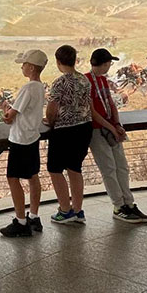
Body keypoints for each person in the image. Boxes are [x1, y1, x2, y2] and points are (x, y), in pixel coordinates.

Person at [86, 48, 147, 223]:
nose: (109, 66)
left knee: (122, 166)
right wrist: (112, 127)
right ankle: (118, 205)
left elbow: (111, 103)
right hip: (97, 130)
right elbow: (92, 112)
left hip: (110, 128)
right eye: (107, 63)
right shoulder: (87, 81)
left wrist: (117, 124)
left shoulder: (102, 80)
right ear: (101, 63)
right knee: (108, 168)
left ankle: (129, 203)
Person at [0, 49, 47, 237]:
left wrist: (6, 110)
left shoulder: (28, 88)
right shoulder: (40, 87)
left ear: (32, 67)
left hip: (20, 140)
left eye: (24, 64)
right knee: (33, 176)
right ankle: (34, 216)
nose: (22, 67)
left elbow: (10, 117)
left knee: (13, 178)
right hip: (33, 137)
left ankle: (20, 221)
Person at [45, 45, 93, 224]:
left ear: (58, 61)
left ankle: (65, 210)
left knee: (55, 169)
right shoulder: (84, 80)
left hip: (65, 130)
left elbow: (52, 108)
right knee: (75, 168)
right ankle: (78, 210)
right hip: (85, 127)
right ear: (75, 60)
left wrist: (49, 122)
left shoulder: (60, 82)